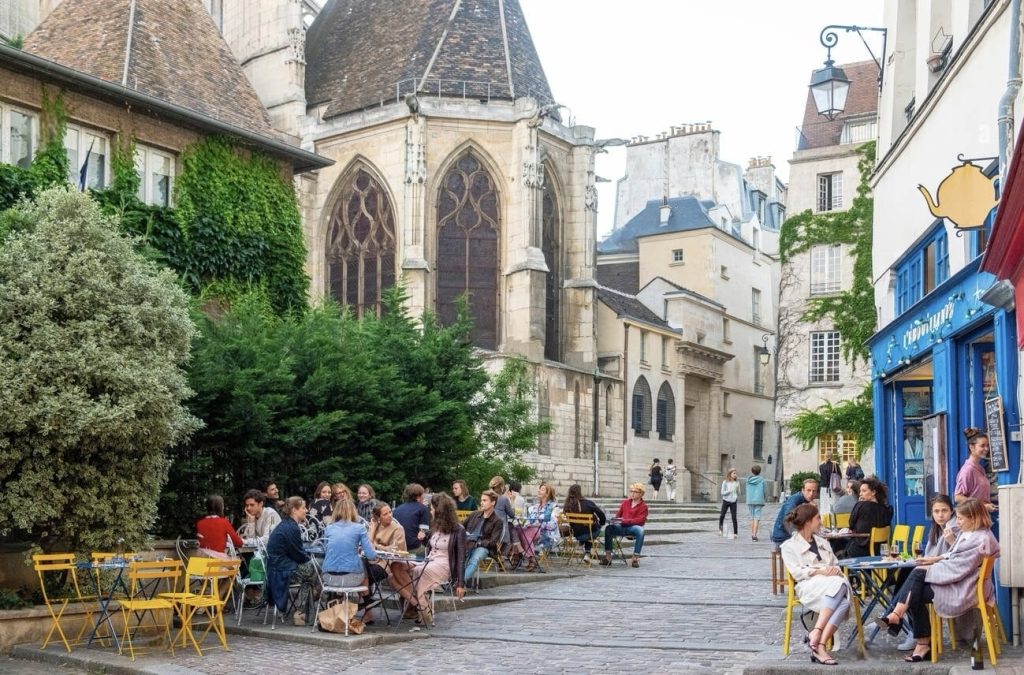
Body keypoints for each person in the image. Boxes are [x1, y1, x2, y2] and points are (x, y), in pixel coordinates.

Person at [875, 498, 999, 663]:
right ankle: (909, 631)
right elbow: (954, 555)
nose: (957, 522)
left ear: (974, 518)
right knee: (915, 586)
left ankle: (904, 624)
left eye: (960, 518)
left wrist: (929, 568)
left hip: (966, 588)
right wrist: (934, 560)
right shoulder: (971, 534)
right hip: (963, 583)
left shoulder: (980, 539)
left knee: (917, 577)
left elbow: (959, 567)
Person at [780, 503, 853, 666]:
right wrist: (821, 571)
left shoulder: (823, 542)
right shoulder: (789, 547)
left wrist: (832, 570)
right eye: (817, 518)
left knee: (844, 597)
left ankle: (818, 643)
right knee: (842, 588)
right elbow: (797, 572)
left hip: (831, 583)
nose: (820, 521)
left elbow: (835, 563)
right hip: (809, 586)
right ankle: (818, 637)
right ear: (808, 522)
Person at [891, 494, 959, 651]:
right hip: (935, 573)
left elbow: (959, 556)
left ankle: (899, 619)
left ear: (951, 511)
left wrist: (950, 542)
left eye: (944, 511)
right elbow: (930, 555)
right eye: (936, 511)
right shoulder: (936, 530)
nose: (940, 515)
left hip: (947, 580)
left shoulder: (954, 528)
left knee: (914, 589)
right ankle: (900, 620)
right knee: (905, 573)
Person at [390, 493, 466, 626]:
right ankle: (421, 605)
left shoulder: (458, 530)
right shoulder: (435, 526)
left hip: (443, 565)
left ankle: (422, 606)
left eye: (432, 508)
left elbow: (460, 558)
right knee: (395, 568)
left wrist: (460, 583)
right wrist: (424, 538)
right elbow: (431, 545)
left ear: (439, 510)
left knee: (419, 571)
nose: (430, 510)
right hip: (429, 560)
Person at [266, 496, 319, 625]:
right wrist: (310, 559)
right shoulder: (291, 527)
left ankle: (303, 613)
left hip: (277, 567)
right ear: (294, 510)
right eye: (303, 508)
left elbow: (295, 553)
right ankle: (304, 610)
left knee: (310, 572)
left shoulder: (287, 524)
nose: (306, 510)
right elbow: (298, 554)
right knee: (315, 567)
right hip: (280, 571)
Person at [321, 497, 377, 619]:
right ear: (353, 511)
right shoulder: (359, 528)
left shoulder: (329, 528)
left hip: (328, 578)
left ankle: (339, 597)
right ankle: (367, 600)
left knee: (352, 563)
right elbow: (371, 555)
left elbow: (326, 550)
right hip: (351, 578)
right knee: (362, 564)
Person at [366, 502, 405, 624]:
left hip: (387, 564)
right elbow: (366, 547)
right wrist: (372, 530)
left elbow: (396, 550)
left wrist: (376, 546)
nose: (389, 515)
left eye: (390, 512)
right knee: (359, 572)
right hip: (371, 561)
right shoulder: (374, 527)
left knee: (364, 576)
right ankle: (366, 609)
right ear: (378, 518)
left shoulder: (397, 528)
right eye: (385, 514)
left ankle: (365, 609)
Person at [601, 482, 648, 567]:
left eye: (635, 492)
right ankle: (608, 557)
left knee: (640, 530)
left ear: (641, 494)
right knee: (609, 528)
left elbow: (640, 521)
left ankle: (635, 558)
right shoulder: (625, 503)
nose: (632, 493)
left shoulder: (643, 506)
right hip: (621, 526)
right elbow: (618, 516)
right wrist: (613, 520)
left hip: (632, 528)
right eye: (631, 491)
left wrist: (626, 521)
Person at [462, 490, 505, 583]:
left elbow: (493, 542)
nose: (481, 503)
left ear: (493, 502)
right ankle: (450, 580)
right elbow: (461, 527)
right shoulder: (474, 514)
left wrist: (480, 543)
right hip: (468, 543)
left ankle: (461, 582)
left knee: (475, 558)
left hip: (483, 547)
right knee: (455, 555)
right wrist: (464, 533)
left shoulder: (497, 521)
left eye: (485, 500)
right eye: (481, 500)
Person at [845, 476, 893, 558]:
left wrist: (859, 504)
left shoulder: (860, 505)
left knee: (842, 548)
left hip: (862, 549)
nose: (860, 494)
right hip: (881, 550)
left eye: (864, 491)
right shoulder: (887, 509)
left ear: (873, 492)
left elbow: (851, 525)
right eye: (860, 491)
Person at [954, 427, 997, 512]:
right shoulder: (968, 470)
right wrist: (983, 507)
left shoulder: (980, 469)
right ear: (971, 447)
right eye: (982, 446)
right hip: (973, 519)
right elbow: (958, 497)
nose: (986, 449)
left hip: (982, 518)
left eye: (987, 445)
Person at [563, 484, 606, 564]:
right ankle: (587, 553)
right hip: (589, 533)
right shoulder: (588, 503)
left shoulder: (567, 506)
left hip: (576, 535)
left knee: (587, 530)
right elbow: (601, 514)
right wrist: (601, 523)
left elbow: (570, 523)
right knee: (592, 530)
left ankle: (582, 544)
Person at [771, 479, 818, 547]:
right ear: (803, 490)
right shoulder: (794, 500)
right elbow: (787, 520)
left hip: (789, 537)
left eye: (814, 491)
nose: (811, 494)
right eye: (808, 490)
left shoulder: (806, 501)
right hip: (783, 538)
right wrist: (797, 536)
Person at [523, 483, 560, 569]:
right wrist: (527, 524)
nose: (539, 490)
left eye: (542, 489)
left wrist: (537, 524)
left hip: (547, 534)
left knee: (525, 534)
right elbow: (529, 520)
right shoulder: (535, 507)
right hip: (534, 532)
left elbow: (552, 524)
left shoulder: (553, 507)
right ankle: (529, 558)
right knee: (518, 530)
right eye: (539, 489)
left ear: (547, 494)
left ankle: (527, 558)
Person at [392, 483, 430, 555]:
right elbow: (422, 535)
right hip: (413, 548)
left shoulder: (397, 509)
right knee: (432, 553)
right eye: (423, 495)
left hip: (398, 548)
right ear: (418, 497)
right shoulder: (423, 509)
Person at [745, 465, 766, 541]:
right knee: (757, 518)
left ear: (752, 471)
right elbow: (764, 491)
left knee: (752, 518)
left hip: (750, 500)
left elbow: (746, 490)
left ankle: (752, 534)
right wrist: (764, 498)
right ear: (759, 471)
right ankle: (754, 535)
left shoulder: (748, 480)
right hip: (759, 500)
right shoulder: (762, 480)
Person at [718, 468, 739, 539]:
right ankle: (720, 529)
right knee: (722, 515)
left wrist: (738, 489)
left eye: (736, 473)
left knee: (734, 517)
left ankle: (736, 533)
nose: (735, 475)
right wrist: (728, 491)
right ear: (730, 474)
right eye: (734, 473)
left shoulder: (737, 482)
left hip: (733, 501)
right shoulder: (725, 482)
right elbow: (722, 493)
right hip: (726, 501)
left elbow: (738, 492)